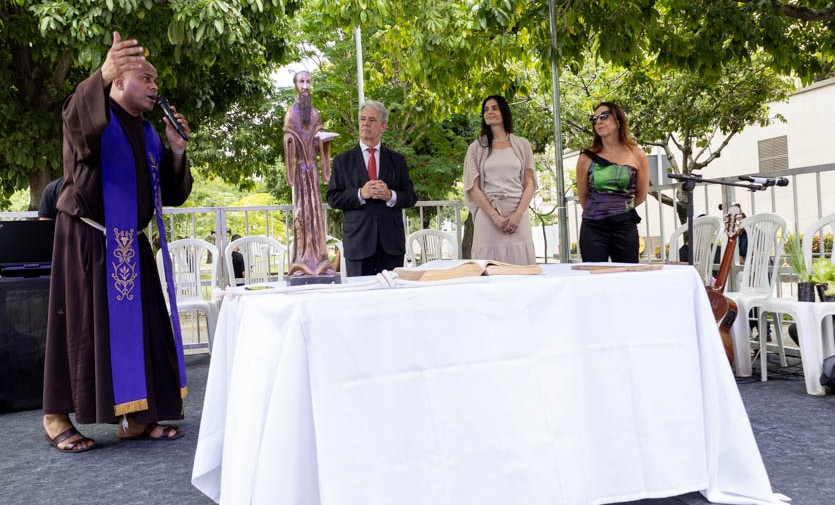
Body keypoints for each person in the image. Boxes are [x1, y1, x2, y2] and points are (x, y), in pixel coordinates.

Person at [42, 32, 193, 453]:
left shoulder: (147, 134)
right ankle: (55, 415)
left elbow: (172, 193)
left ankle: (136, 417)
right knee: (78, 327)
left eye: (155, 81)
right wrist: (101, 73)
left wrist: (176, 151)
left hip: (130, 245)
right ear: (119, 82)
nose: (153, 86)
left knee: (144, 328)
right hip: (87, 238)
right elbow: (74, 123)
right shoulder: (96, 115)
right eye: (145, 78)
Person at [327, 101, 417, 276]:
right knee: (361, 299)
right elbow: (333, 198)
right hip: (358, 242)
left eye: (372, 120)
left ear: (383, 126)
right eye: (362, 119)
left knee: (391, 298)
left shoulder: (397, 160)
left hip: (391, 244)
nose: (366, 123)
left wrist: (390, 195)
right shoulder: (342, 161)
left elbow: (410, 196)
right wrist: (361, 193)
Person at [463, 95, 537, 265]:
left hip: (518, 213)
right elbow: (473, 188)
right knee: (488, 268)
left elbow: (530, 183)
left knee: (521, 267)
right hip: (488, 215)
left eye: (494, 108)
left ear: (504, 111)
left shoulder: (522, 145)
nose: (489, 112)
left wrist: (518, 215)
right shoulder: (476, 148)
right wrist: (495, 217)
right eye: (486, 109)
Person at [576, 102, 649, 263]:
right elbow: (583, 196)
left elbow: (641, 195)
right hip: (593, 228)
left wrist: (618, 210)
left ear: (618, 121)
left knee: (627, 278)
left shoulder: (637, 154)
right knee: (594, 279)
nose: (598, 122)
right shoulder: (585, 158)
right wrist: (601, 212)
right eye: (594, 119)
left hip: (625, 226)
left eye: (604, 116)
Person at [283, 71, 337, 278]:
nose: (305, 86)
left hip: (312, 171)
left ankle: (320, 259)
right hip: (300, 170)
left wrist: (322, 140)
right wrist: (291, 142)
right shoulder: (291, 114)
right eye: (301, 82)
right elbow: (288, 139)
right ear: (295, 85)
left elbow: (317, 140)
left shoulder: (314, 114)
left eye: (308, 82)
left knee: (314, 212)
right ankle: (302, 261)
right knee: (302, 213)